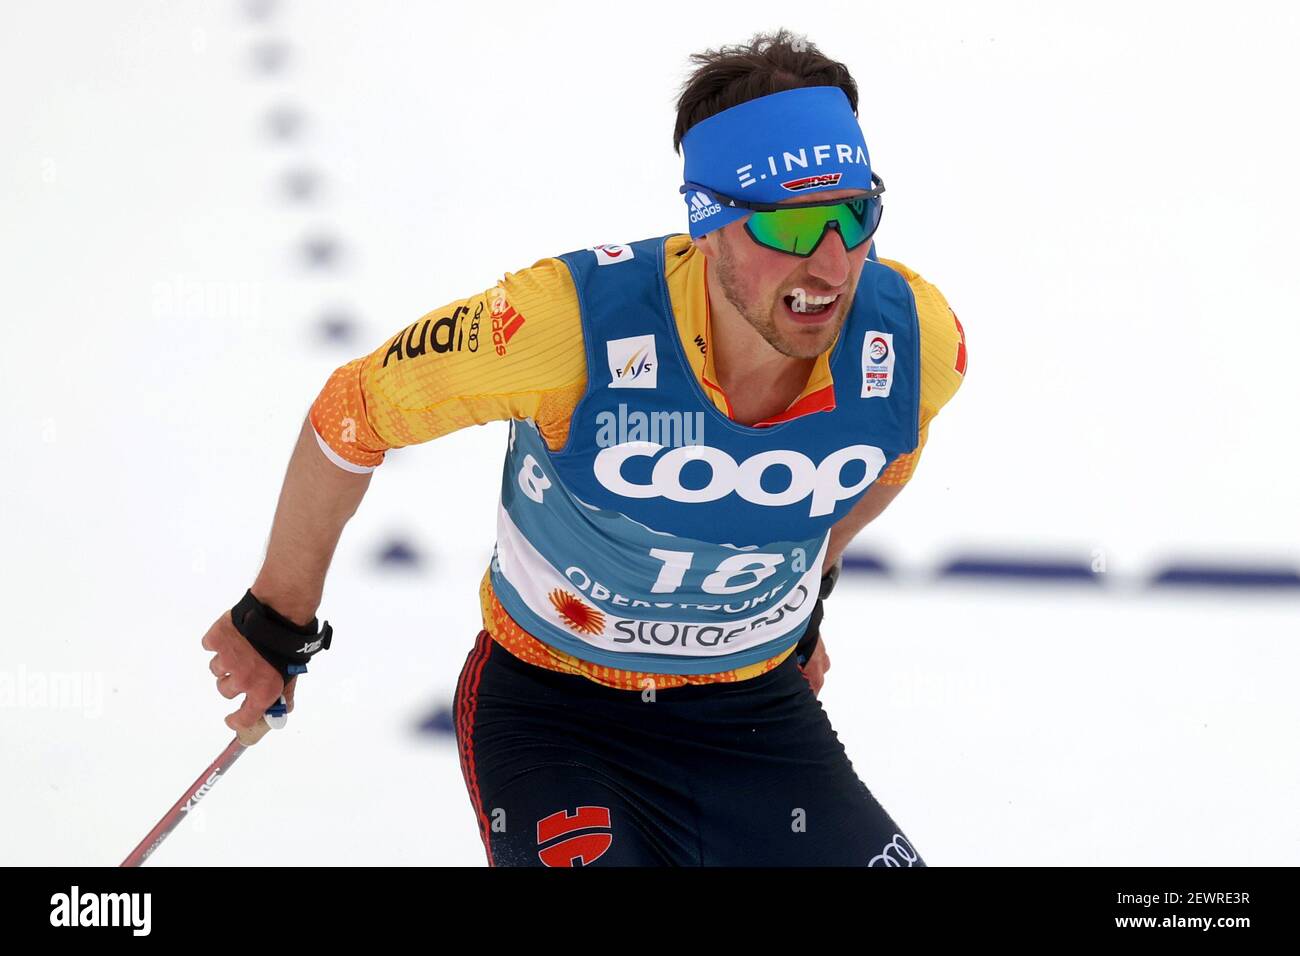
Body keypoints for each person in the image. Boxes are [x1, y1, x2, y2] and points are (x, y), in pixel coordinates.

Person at [201, 29, 966, 866]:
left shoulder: (914, 341)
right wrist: (277, 618)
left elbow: (884, 455)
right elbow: (355, 410)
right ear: (707, 223)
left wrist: (807, 582)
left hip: (754, 721)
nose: (830, 264)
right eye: (789, 229)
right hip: (555, 714)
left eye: (855, 217)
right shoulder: (564, 325)